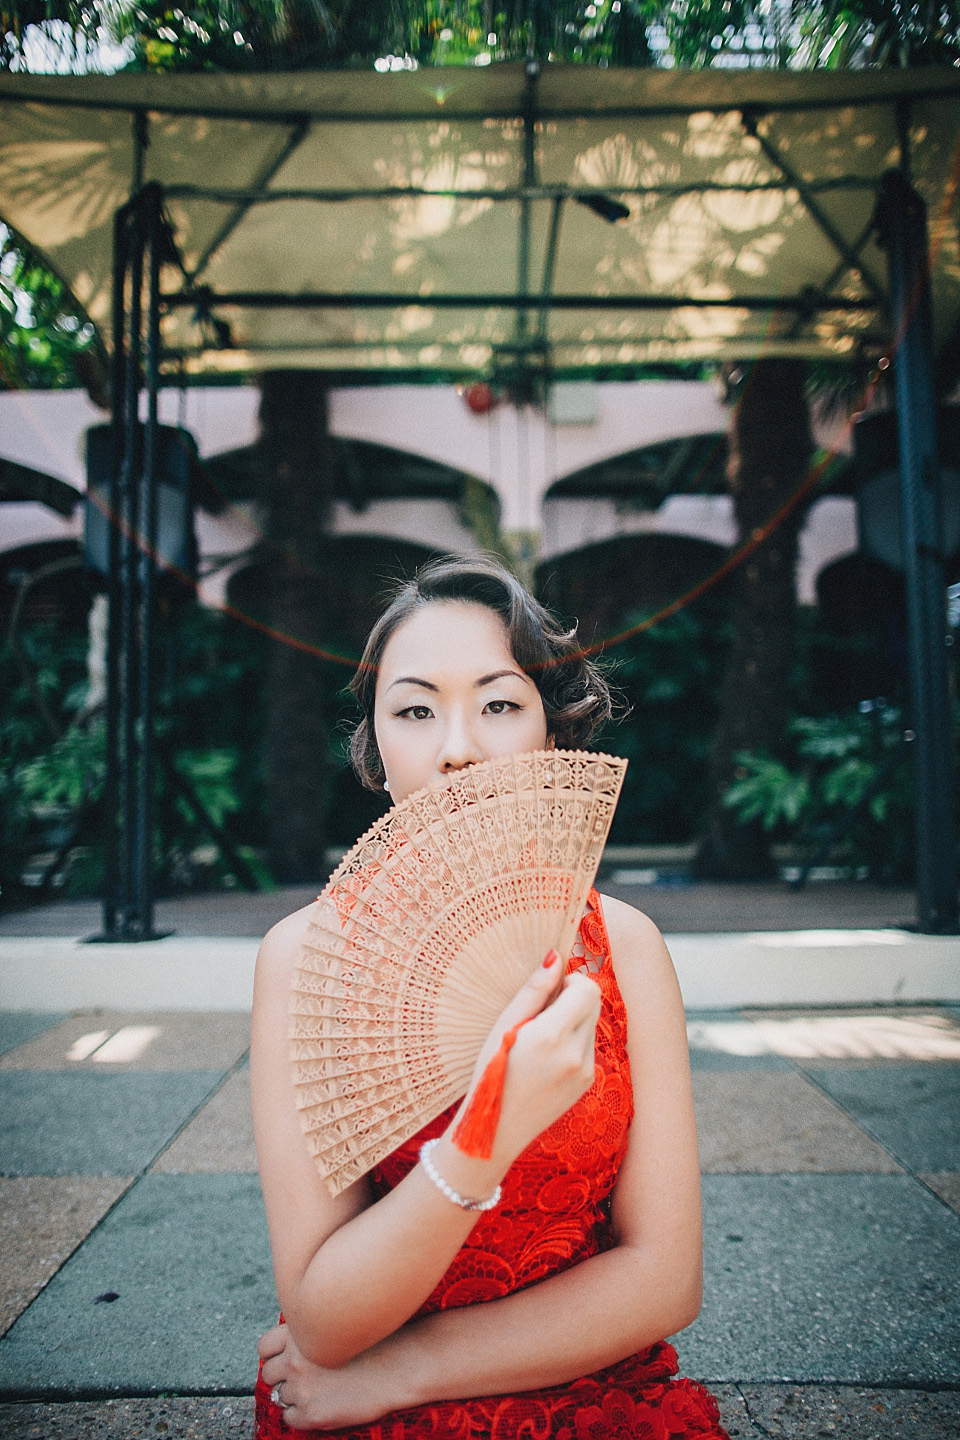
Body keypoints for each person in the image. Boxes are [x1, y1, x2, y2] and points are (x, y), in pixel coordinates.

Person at [251, 556, 728, 1439]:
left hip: (588, 1387)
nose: (457, 747)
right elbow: (321, 1318)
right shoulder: (306, 958)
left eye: (499, 704)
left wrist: (408, 1369)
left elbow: (667, 1279)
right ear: (377, 749)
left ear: (551, 737)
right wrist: (488, 1136)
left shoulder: (623, 946)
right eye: (416, 710)